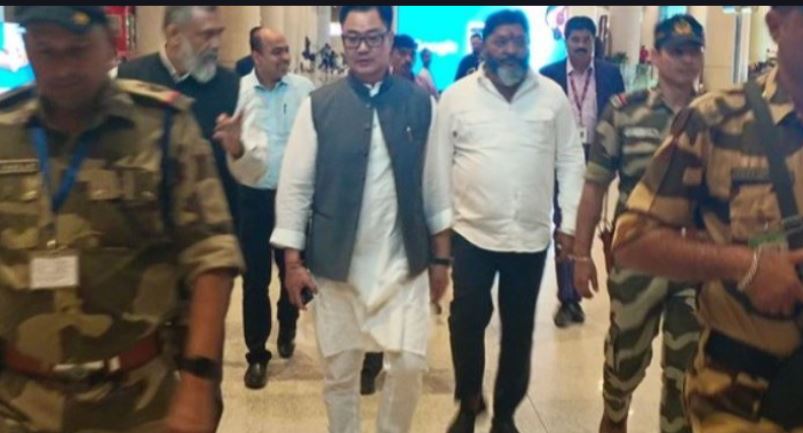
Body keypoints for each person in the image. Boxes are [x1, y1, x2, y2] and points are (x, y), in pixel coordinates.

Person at [0, 6, 244, 433]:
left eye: (77, 50)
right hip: (19, 400)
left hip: (137, 398)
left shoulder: (160, 126)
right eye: (46, 51)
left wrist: (198, 380)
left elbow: (211, 255)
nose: (62, 68)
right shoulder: (5, 130)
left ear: (110, 44)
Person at [613, 6, 803, 433]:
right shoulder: (719, 118)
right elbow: (631, 239)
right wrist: (746, 266)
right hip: (743, 397)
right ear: (776, 26)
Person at [270, 5, 452, 433]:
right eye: (352, 38)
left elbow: (436, 186)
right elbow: (295, 188)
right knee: (339, 373)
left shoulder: (421, 104)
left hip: (402, 263)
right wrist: (293, 263)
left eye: (373, 37)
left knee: (409, 365)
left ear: (389, 39)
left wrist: (441, 260)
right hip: (337, 266)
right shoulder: (319, 106)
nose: (363, 48)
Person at [439, 9, 585, 433]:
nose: (510, 50)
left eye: (518, 41)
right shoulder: (457, 97)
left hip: (529, 236)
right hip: (471, 233)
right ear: (484, 45)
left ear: (528, 45)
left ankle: (505, 413)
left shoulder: (551, 97)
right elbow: (437, 167)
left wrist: (569, 225)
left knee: (519, 330)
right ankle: (469, 402)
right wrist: (440, 236)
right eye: (500, 41)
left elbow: (571, 161)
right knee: (466, 321)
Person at [571, 14, 705, 433]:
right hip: (638, 261)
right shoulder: (624, 111)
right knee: (624, 359)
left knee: (687, 371)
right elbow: (595, 186)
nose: (686, 60)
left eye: (694, 51)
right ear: (657, 57)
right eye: (676, 51)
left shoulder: (718, 115)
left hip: (697, 264)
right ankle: (614, 417)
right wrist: (580, 255)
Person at [221, 26, 314, 390]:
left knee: (293, 269)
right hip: (253, 199)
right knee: (255, 280)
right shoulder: (237, 93)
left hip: (294, 199)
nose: (285, 58)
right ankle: (257, 354)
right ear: (256, 56)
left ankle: (287, 326)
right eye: (276, 52)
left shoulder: (304, 89)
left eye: (286, 50)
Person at [116, 6, 242, 228]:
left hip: (214, 228)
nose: (216, 44)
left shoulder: (232, 85)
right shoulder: (129, 80)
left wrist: (239, 150)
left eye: (218, 33)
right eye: (207, 35)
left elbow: (256, 171)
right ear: (174, 34)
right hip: (145, 227)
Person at [540, 15, 626, 329]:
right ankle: (568, 299)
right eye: (575, 40)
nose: (580, 45)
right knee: (566, 222)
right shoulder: (548, 76)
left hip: (598, 154)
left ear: (593, 42)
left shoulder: (610, 74)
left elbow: (621, 116)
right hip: (562, 156)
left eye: (586, 40)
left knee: (592, 221)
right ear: (566, 42)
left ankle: (614, 291)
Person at [390, 33, 438, 100]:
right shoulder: (382, 85)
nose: (408, 59)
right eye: (402, 53)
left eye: (412, 54)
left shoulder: (423, 85)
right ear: (390, 55)